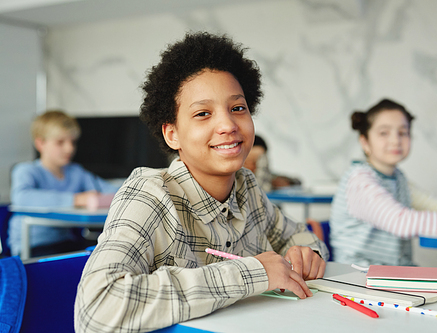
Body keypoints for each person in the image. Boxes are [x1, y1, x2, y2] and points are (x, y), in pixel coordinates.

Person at [74, 32, 328, 332]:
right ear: (173, 134)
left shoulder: (246, 187)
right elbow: (96, 310)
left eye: (237, 108)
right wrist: (252, 273)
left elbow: (301, 238)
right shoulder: (151, 195)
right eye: (203, 113)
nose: (228, 125)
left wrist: (306, 255)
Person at [330, 98, 437, 267]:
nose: (395, 140)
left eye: (403, 132)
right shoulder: (360, 181)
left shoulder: (398, 179)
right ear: (364, 142)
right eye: (384, 133)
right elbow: (401, 222)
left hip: (391, 272)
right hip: (357, 276)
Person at [8, 110, 118, 257]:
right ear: (40, 143)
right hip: (32, 246)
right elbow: (21, 197)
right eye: (60, 142)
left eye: (73, 142)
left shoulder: (75, 172)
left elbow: (107, 189)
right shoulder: (26, 170)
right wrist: (77, 199)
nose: (69, 148)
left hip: (65, 243)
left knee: (102, 255)